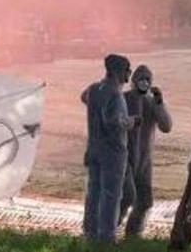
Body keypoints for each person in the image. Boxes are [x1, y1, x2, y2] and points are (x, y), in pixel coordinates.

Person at [81, 54, 138, 243]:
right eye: (127, 70)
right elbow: (113, 122)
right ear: (117, 71)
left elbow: (84, 97)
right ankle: (107, 236)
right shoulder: (115, 93)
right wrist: (132, 121)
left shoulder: (94, 89)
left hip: (94, 148)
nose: (128, 74)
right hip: (112, 151)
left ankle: (90, 232)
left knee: (94, 192)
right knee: (111, 194)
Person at [119, 65, 172, 237]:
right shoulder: (123, 99)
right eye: (141, 79)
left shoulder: (152, 102)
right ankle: (109, 227)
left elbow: (166, 126)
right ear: (134, 81)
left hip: (144, 161)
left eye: (147, 79)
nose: (144, 82)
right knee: (125, 197)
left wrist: (159, 103)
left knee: (145, 201)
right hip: (124, 157)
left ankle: (133, 234)